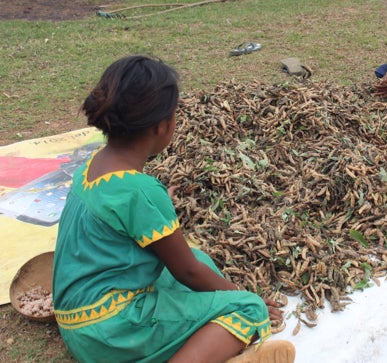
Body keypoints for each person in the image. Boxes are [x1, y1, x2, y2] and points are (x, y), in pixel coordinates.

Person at [52, 56, 295, 363]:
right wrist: (237, 295)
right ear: (161, 125)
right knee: (248, 309)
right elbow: (188, 273)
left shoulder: (90, 167)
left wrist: (155, 205)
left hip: (76, 323)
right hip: (113, 334)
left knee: (199, 257)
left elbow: (167, 248)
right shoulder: (142, 192)